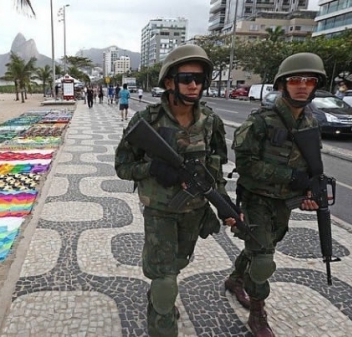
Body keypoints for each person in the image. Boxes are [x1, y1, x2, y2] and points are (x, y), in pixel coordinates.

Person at [115, 44, 239, 337]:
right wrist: (153, 169)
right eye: (186, 78)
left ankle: (161, 295)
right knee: (165, 280)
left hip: (194, 211)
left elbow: (216, 166)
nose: (194, 84)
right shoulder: (148, 121)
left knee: (178, 264)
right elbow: (122, 166)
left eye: (199, 79)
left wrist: (225, 204)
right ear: (169, 82)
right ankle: (162, 316)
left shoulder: (210, 122)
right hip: (160, 211)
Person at [226, 52, 325, 337]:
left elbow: (311, 163)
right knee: (263, 259)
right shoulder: (261, 121)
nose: (303, 85)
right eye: (296, 80)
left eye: (310, 80)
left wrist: (309, 189)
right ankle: (258, 314)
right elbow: (245, 165)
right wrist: (290, 176)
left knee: (262, 246)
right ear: (282, 84)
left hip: (285, 201)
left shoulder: (310, 121)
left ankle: (235, 280)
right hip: (257, 199)